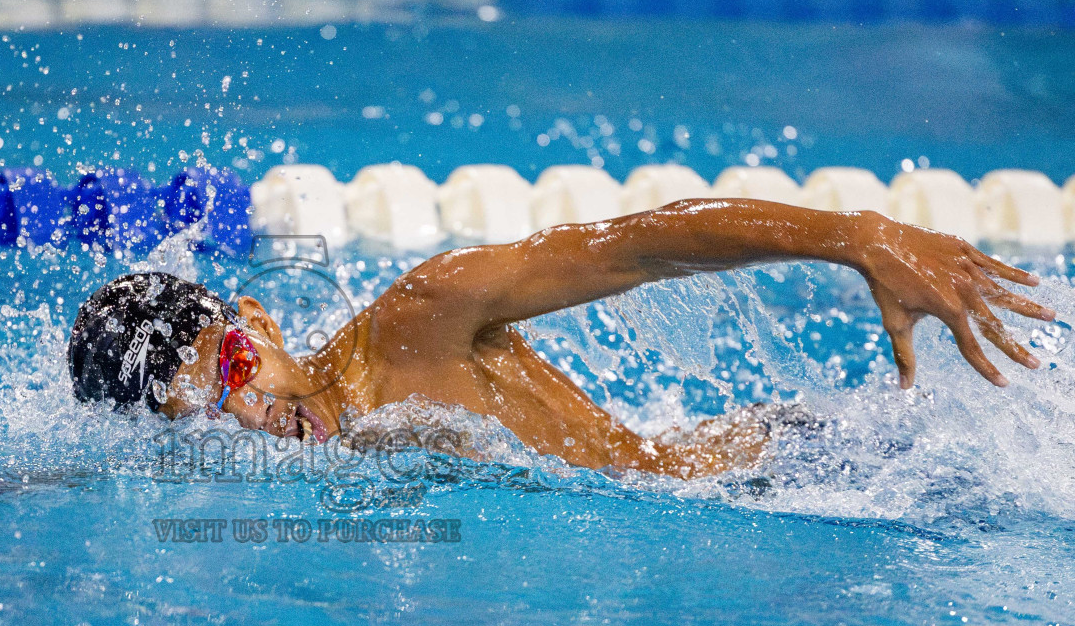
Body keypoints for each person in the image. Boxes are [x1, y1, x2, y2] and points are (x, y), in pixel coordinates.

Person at [66, 198, 1053, 478]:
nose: (252, 412)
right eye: (205, 414)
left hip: (791, 471)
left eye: (234, 367)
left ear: (261, 324)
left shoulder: (417, 322)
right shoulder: (307, 468)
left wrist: (860, 238)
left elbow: (636, 245)